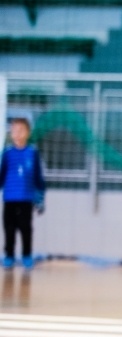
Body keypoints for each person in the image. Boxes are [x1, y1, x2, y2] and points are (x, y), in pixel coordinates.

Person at [0, 116, 46, 271]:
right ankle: (9, 256)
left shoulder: (33, 153)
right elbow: (1, 174)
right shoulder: (7, 153)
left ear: (27, 132)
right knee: (9, 229)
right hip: (9, 199)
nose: (17, 133)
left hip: (26, 199)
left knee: (26, 229)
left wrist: (40, 199)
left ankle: (27, 255)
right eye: (14, 130)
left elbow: (38, 177)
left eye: (21, 130)